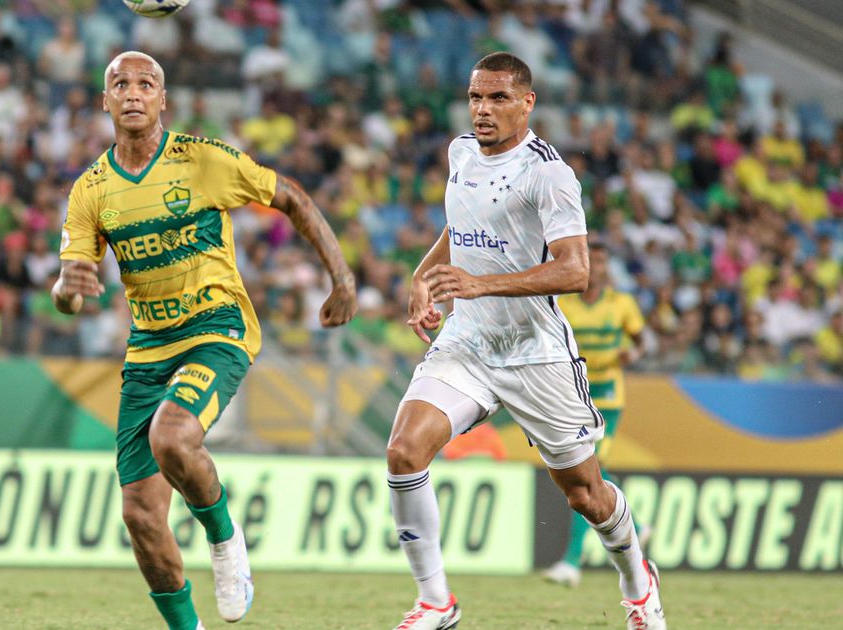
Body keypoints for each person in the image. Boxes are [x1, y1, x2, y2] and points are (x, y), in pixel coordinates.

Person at [53, 51, 357, 630]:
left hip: (217, 328)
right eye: (120, 84)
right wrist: (67, 288)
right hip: (147, 350)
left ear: (164, 100)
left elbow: (291, 197)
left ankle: (224, 537)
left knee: (173, 437)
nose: (134, 93)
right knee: (141, 516)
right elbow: (70, 295)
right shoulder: (90, 190)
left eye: (147, 84)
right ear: (105, 101)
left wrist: (341, 278)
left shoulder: (202, 160)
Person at [386, 53, 665, 630]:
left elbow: (575, 272)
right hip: (468, 342)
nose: (483, 110)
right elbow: (462, 223)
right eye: (476, 98)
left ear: (527, 103)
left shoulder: (550, 174)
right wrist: (424, 274)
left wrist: (478, 284)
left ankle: (638, 582)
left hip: (536, 352)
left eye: (498, 99)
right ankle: (437, 602)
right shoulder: (460, 152)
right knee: (403, 451)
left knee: (587, 495)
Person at [543, 242, 650, 587]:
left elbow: (640, 341)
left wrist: (633, 354)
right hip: (576, 394)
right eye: (592, 261)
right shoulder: (566, 304)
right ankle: (636, 526)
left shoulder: (622, 304)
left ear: (607, 268)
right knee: (590, 472)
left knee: (591, 470)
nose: (597, 267)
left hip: (608, 397)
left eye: (602, 261)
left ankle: (571, 562)